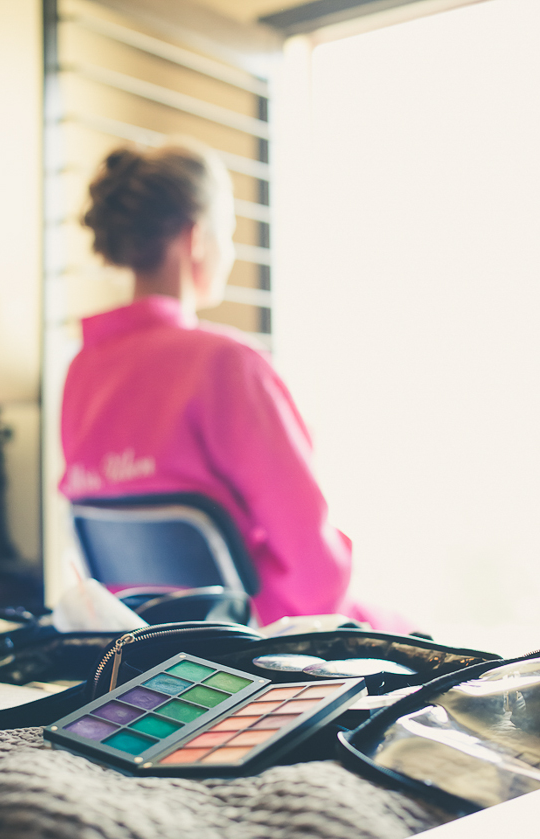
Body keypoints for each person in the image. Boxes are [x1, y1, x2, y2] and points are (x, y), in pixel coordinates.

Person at [59, 140, 412, 633]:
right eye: (228, 232)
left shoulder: (83, 371)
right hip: (255, 640)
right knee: (418, 637)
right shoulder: (225, 365)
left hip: (147, 642)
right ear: (197, 236)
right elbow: (316, 572)